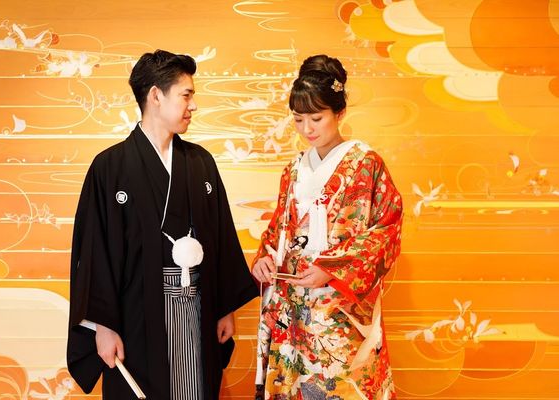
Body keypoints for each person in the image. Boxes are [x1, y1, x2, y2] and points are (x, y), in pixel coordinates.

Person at [67, 49, 258, 400]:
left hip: (198, 307)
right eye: (186, 95)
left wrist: (224, 308)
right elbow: (94, 253)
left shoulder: (200, 163)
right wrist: (103, 327)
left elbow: (220, 238)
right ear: (156, 96)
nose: (193, 105)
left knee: (195, 387)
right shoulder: (109, 167)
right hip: (136, 316)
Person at [251, 54, 403, 399]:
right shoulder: (293, 169)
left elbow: (387, 229)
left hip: (339, 308)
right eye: (298, 119)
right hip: (293, 305)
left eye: (317, 118)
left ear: (340, 112)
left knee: (341, 385)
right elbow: (278, 229)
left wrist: (331, 269)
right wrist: (264, 258)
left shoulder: (365, 164)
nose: (307, 129)